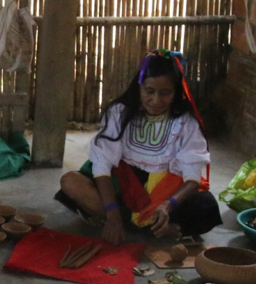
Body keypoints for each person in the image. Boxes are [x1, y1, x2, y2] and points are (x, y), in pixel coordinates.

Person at [55, 50, 222, 244]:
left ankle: (142, 222)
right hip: (124, 182)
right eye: (149, 91)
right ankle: (144, 225)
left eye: (165, 93)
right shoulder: (119, 112)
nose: (156, 100)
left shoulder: (186, 123)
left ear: (176, 92)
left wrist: (166, 206)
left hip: (165, 187)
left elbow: (192, 178)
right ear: (139, 87)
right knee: (71, 182)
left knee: (206, 207)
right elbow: (102, 163)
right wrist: (112, 211)